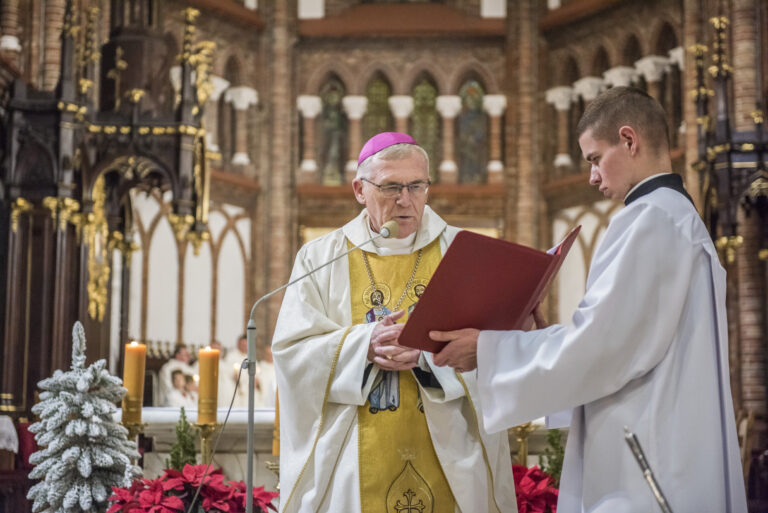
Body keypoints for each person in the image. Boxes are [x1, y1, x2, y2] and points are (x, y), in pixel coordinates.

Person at [431, 87, 747, 513]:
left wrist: (488, 350)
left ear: (629, 140)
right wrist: (543, 337)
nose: (592, 177)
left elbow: (601, 348)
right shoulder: (677, 216)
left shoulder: (649, 219)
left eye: (595, 159)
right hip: (669, 442)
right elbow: (620, 343)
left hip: (648, 457)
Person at [273, 132, 515, 513]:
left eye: (417, 185)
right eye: (390, 187)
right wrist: (364, 345)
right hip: (352, 456)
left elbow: (493, 349)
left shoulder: (462, 253)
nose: (406, 200)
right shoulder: (322, 257)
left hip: (449, 451)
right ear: (359, 190)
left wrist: (426, 356)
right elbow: (292, 351)